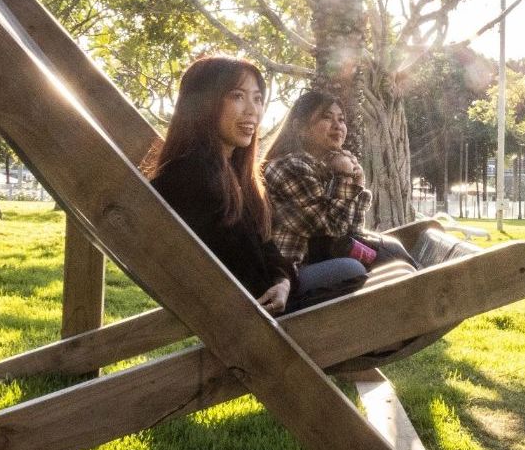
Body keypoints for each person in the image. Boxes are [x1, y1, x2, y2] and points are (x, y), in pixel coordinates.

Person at [143, 56, 367, 314]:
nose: (253, 110)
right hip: (253, 312)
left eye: (258, 99)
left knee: (370, 265)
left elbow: (265, 247)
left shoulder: (231, 173)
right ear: (204, 103)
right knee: (353, 270)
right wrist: (281, 283)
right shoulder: (192, 177)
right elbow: (244, 268)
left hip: (269, 295)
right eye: (238, 96)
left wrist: (283, 280)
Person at [263, 89, 415, 274]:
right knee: (353, 268)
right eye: (326, 118)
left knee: (393, 251)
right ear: (299, 127)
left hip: (319, 258)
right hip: (289, 274)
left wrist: (356, 182)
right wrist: (344, 178)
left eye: (341, 119)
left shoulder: (326, 165)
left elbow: (352, 230)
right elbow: (331, 230)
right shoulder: (290, 166)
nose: (337, 126)